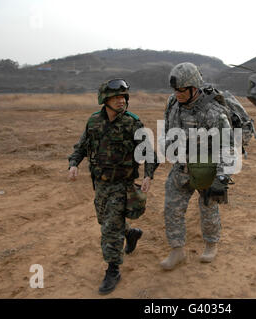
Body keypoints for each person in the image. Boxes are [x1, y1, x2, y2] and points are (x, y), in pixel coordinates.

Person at [68, 79, 158, 294]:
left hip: (122, 185)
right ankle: (131, 233)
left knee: (109, 228)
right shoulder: (93, 122)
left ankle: (113, 269)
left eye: (124, 97)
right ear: (104, 100)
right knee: (106, 219)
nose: (121, 101)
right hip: (100, 184)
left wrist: (148, 175)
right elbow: (81, 146)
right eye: (116, 97)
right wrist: (73, 163)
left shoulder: (132, 123)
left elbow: (150, 154)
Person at [160, 62, 235, 270]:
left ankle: (211, 244)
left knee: (208, 210)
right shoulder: (172, 103)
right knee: (172, 209)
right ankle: (177, 251)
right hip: (181, 168)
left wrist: (221, 178)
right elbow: (168, 130)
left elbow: (227, 146)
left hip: (206, 170)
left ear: (194, 88)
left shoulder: (214, 112)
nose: (178, 94)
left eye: (182, 90)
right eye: (175, 90)